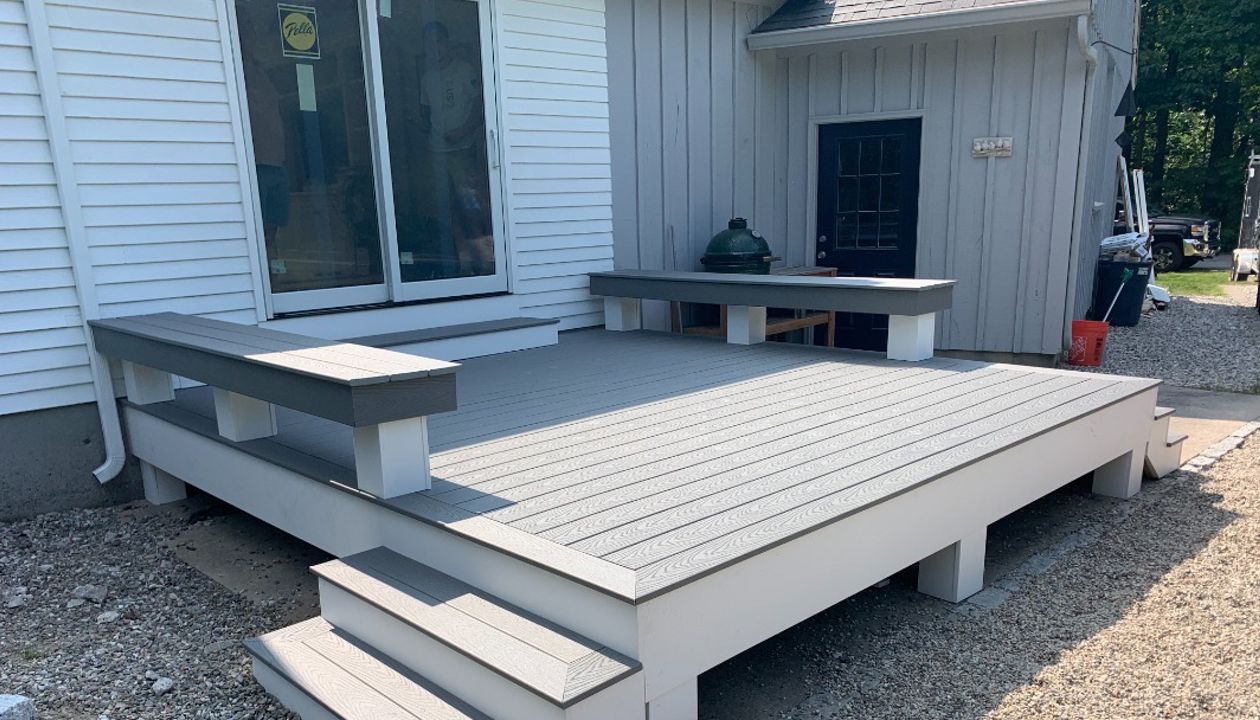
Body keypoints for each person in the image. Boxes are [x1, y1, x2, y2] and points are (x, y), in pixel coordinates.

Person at [418, 21, 492, 276]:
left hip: (464, 148)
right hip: (437, 152)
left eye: (438, 41)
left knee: (471, 205)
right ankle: (462, 261)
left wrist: (464, 131)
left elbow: (482, 106)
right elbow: (425, 114)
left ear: (446, 43)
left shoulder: (464, 70)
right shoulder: (427, 79)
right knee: (445, 205)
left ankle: (485, 259)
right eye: (428, 44)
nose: (434, 48)